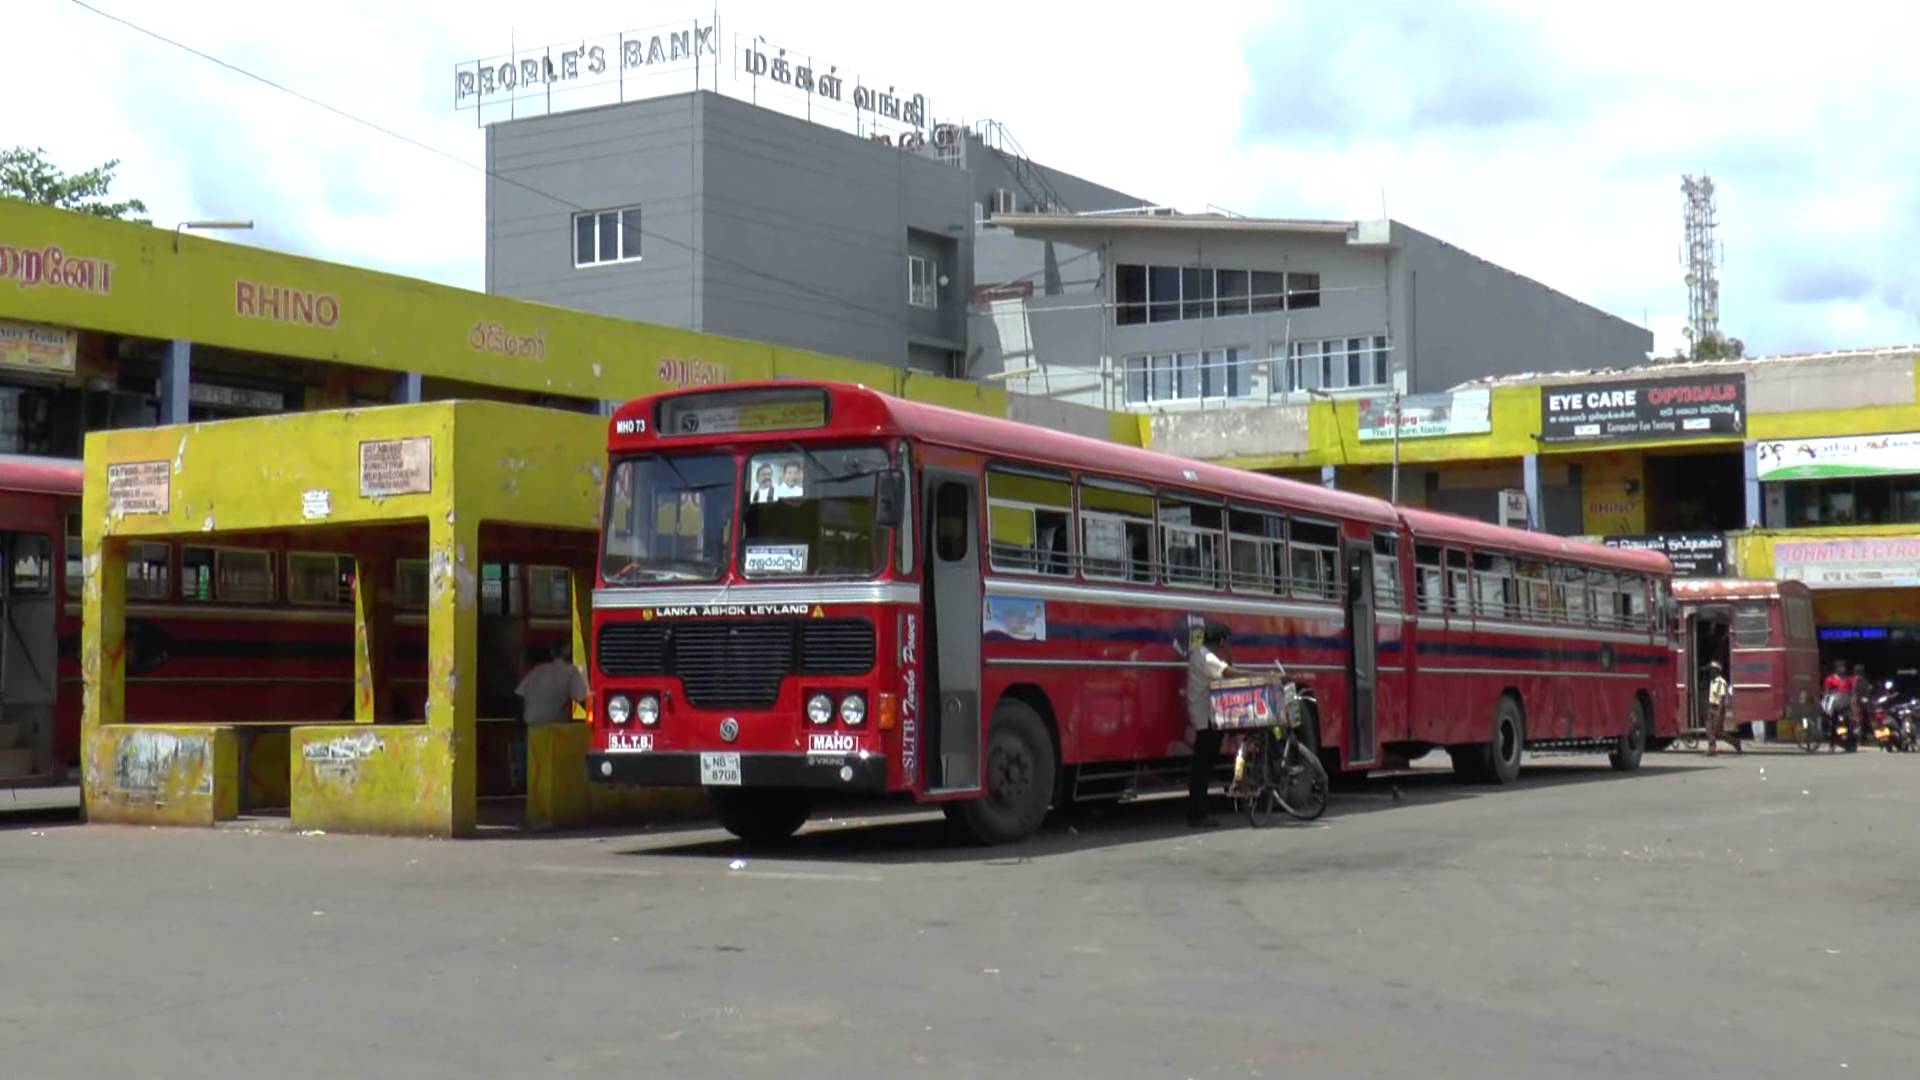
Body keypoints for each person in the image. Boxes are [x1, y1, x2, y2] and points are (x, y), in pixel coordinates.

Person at [1185, 621, 1241, 829]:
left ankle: (1198, 811)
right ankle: (1198, 814)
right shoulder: (1206, 657)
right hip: (1205, 719)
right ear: (1220, 641)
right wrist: (1263, 676)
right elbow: (1229, 672)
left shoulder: (1199, 654)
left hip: (1202, 717)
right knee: (1202, 767)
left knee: (1201, 766)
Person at [1704, 661, 1741, 755]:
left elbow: (1722, 698)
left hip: (1718, 708)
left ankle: (1735, 742)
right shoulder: (1712, 682)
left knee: (1718, 731)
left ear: (1716, 671)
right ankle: (1712, 748)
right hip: (1711, 706)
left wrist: (1719, 712)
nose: (1710, 672)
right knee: (1708, 728)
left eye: (1711, 670)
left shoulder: (1721, 682)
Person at [1822, 660, 1851, 751]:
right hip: (1834, 704)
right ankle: (1832, 745)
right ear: (1836, 669)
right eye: (1840, 667)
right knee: (1833, 725)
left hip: (1845, 704)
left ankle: (1850, 742)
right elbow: (1827, 692)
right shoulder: (1830, 679)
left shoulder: (1847, 679)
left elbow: (1851, 691)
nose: (1842, 669)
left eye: (1843, 667)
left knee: (1849, 722)